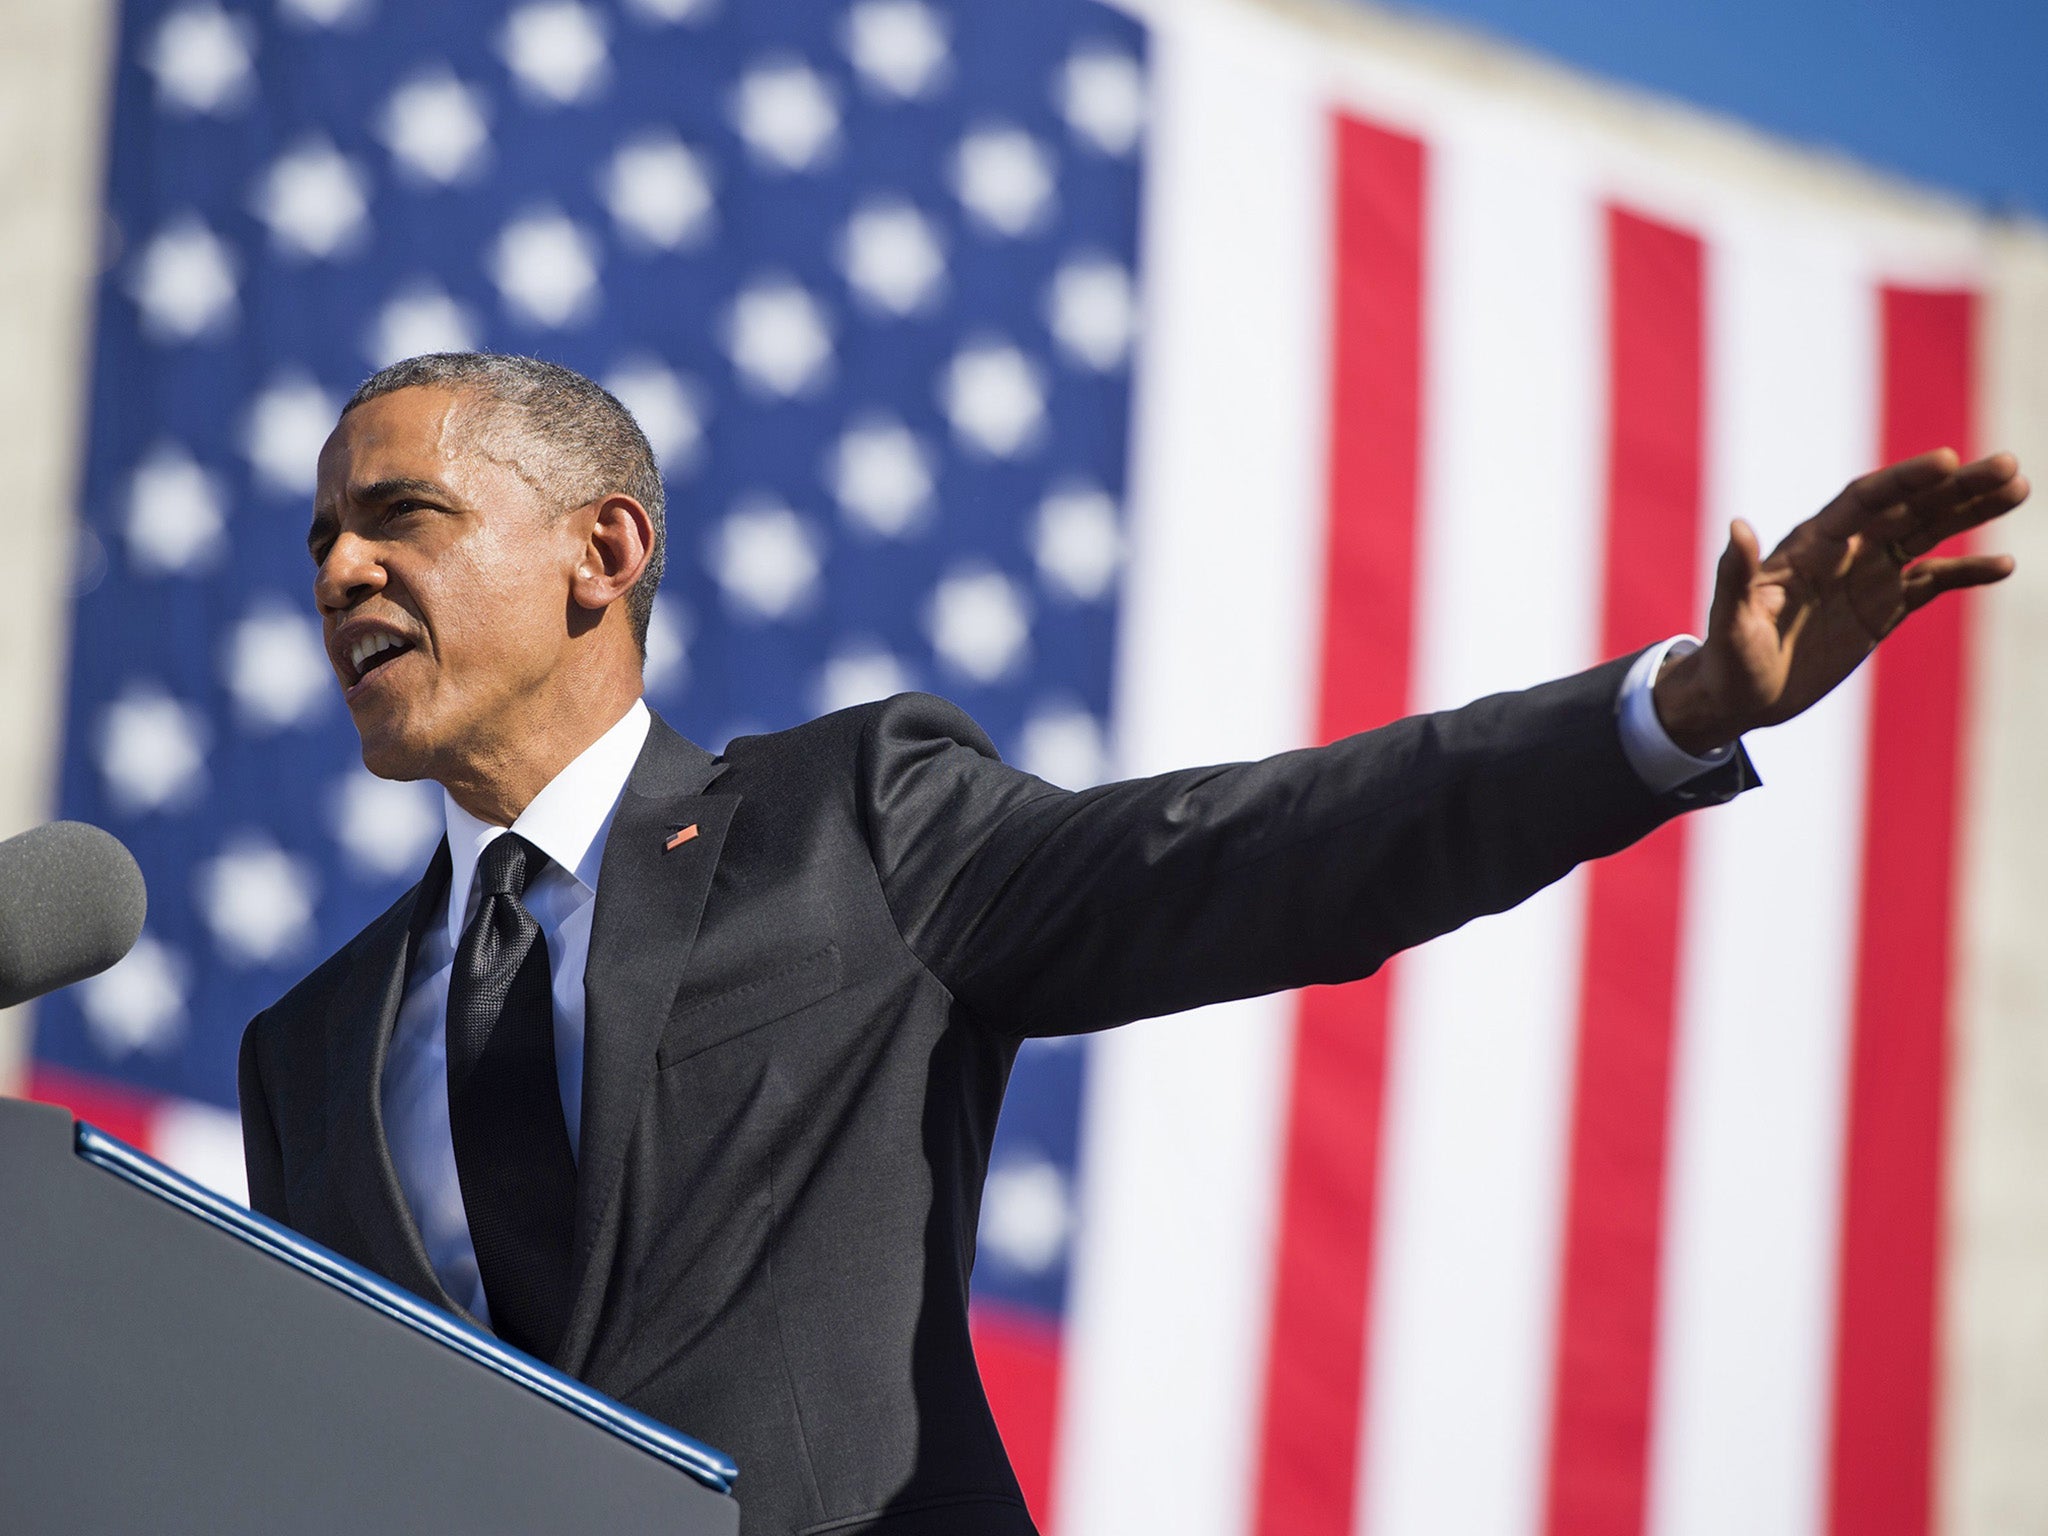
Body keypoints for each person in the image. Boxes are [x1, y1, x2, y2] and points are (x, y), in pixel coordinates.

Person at [237, 352, 2027, 1536]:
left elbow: (1260, 856)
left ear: (602, 553)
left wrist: (1677, 706)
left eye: (400, 518)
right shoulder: (307, 1052)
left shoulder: (848, 823)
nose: (338, 573)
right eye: (320, 537)